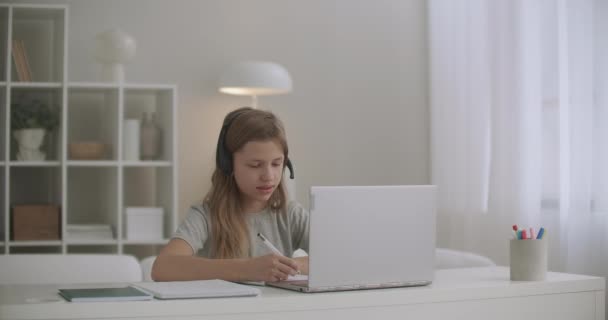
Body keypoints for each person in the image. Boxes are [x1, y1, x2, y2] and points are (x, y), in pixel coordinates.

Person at [152, 107, 309, 282]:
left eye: (276, 163)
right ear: (228, 164)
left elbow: (340, 258)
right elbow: (163, 267)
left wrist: (287, 266)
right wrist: (247, 268)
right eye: (255, 165)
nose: (269, 176)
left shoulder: (292, 214)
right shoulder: (205, 215)